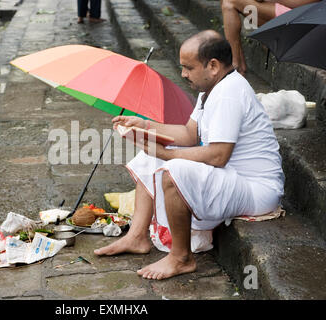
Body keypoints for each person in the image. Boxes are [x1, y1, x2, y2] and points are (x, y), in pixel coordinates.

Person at [94, 30, 285, 280]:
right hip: (231, 176)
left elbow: (218, 156)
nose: (183, 74)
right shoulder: (210, 89)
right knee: (149, 158)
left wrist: (165, 153)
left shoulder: (229, 92)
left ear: (213, 66)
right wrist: (144, 125)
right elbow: (189, 133)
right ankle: (137, 236)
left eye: (188, 68)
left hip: (256, 189)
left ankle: (181, 258)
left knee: (173, 171)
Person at [221, 0, 321, 75]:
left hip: (304, 19)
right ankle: (237, 67)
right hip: (289, 14)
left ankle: (236, 68)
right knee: (227, 2)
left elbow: (306, 3)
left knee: (229, 2)